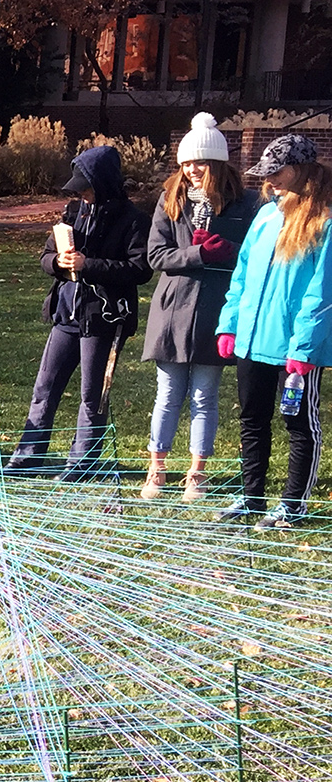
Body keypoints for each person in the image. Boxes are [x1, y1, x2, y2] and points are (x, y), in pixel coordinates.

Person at [7, 144, 152, 479]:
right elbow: (46, 256)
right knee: (45, 385)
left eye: (87, 188)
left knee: (92, 394)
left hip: (105, 319)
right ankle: (28, 455)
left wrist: (91, 265)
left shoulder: (133, 220)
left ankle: (82, 463)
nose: (83, 195)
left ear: (102, 183)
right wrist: (58, 262)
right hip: (66, 314)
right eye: (79, 189)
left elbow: (140, 269)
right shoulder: (72, 212)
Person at [138, 113, 259, 501]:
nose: (192, 170)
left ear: (217, 164)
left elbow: (258, 256)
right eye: (187, 162)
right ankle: (156, 468)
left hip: (215, 309)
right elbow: (156, 254)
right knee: (169, 392)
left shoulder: (246, 202)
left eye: (200, 163)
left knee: (205, 395)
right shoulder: (169, 198)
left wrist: (229, 253)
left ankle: (197, 472)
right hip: (173, 309)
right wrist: (196, 254)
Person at [214, 134, 332, 530]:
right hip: (251, 340)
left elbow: (321, 292)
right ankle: (251, 497)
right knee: (252, 419)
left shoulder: (325, 221)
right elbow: (242, 273)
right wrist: (230, 323)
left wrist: (304, 348)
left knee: (299, 423)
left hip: (294, 349)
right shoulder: (266, 215)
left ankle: (292, 504)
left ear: (300, 170)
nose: (270, 181)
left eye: (276, 173)